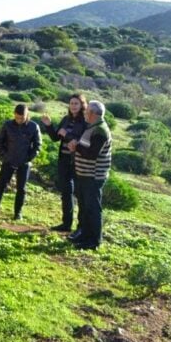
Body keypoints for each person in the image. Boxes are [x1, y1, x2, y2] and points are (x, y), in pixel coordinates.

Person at [67, 100, 112, 250]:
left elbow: (92, 154)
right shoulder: (92, 127)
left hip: (93, 176)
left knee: (92, 208)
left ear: (92, 114)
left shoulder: (100, 130)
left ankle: (94, 240)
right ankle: (85, 236)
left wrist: (75, 147)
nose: (85, 114)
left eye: (87, 112)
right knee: (85, 207)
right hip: (85, 175)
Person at [40, 94, 87, 232]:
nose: (73, 106)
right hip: (64, 160)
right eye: (71, 103)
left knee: (79, 194)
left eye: (76, 103)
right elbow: (56, 138)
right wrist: (49, 125)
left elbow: (83, 141)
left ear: (82, 105)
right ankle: (66, 224)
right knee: (66, 193)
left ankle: (81, 227)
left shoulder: (85, 121)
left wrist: (67, 135)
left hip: (78, 161)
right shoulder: (66, 119)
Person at [0, 103, 42, 221]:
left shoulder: (34, 126)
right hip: (8, 160)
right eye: (17, 117)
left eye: (22, 118)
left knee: (21, 189)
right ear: (14, 115)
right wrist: (3, 155)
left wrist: (29, 158)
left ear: (27, 115)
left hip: (24, 162)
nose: (19, 120)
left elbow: (37, 146)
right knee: (0, 187)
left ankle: (18, 213)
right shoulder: (8, 125)